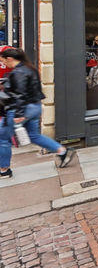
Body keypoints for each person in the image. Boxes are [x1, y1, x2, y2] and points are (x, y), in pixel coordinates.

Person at [0, 47, 74, 179]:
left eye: (4, 61)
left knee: (3, 138)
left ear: (10, 59)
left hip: (22, 109)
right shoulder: (30, 68)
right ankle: (62, 151)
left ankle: (4, 170)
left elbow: (20, 95)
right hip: (35, 107)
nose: (4, 64)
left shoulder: (19, 72)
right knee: (33, 135)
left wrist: (18, 114)